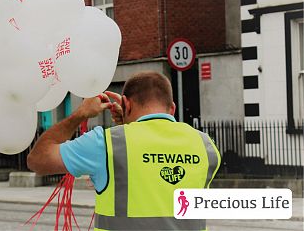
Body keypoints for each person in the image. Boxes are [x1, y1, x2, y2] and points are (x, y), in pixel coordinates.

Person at [27, 71, 221, 231]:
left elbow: (38, 159)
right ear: (172, 108)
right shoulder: (206, 147)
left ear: (126, 104)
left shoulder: (107, 143)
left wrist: (81, 114)